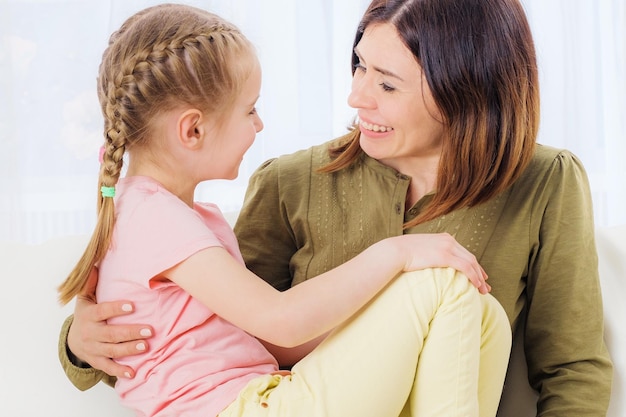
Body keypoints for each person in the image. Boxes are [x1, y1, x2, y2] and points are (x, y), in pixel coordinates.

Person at [58, 0, 614, 415]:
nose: (356, 96)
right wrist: (79, 343)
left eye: (387, 84)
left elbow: (574, 370)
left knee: (480, 308)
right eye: (359, 67)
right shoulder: (286, 184)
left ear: (462, 90)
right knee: (442, 282)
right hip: (272, 399)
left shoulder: (546, 181)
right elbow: (232, 329)